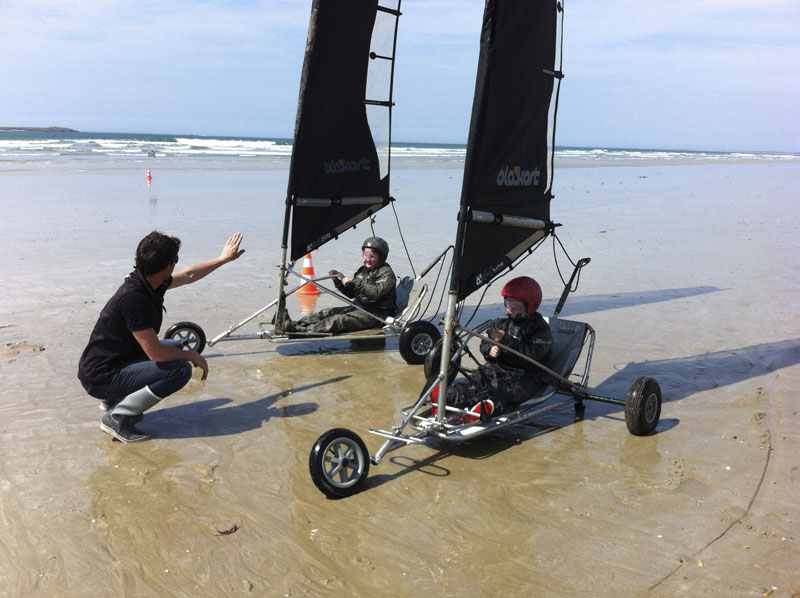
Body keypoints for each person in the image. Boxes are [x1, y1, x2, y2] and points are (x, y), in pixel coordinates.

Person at [78, 231, 245, 443]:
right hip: (100, 377)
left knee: (174, 345)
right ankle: (117, 417)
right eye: (175, 260)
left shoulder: (150, 282)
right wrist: (191, 356)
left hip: (110, 363)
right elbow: (155, 353)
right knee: (179, 369)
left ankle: (114, 399)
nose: (177, 265)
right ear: (168, 265)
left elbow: (189, 275)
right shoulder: (134, 298)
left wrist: (223, 259)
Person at [431, 276, 553, 423]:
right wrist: (490, 350)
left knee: (500, 389)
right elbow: (484, 343)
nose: (509, 309)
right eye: (507, 304)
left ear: (530, 306)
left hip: (528, 375)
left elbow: (536, 354)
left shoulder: (539, 327)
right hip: (498, 367)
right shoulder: (502, 322)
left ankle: (480, 409)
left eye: (515, 306)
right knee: (476, 380)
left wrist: (505, 342)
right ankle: (447, 398)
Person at [279, 237, 397, 335]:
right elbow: (351, 294)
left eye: (372, 256)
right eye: (365, 255)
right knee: (326, 313)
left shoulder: (386, 273)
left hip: (376, 315)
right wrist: (338, 281)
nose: (367, 260)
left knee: (337, 320)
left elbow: (375, 293)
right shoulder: (363, 270)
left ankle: (299, 331)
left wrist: (355, 282)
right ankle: (293, 324)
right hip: (359, 308)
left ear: (381, 257)